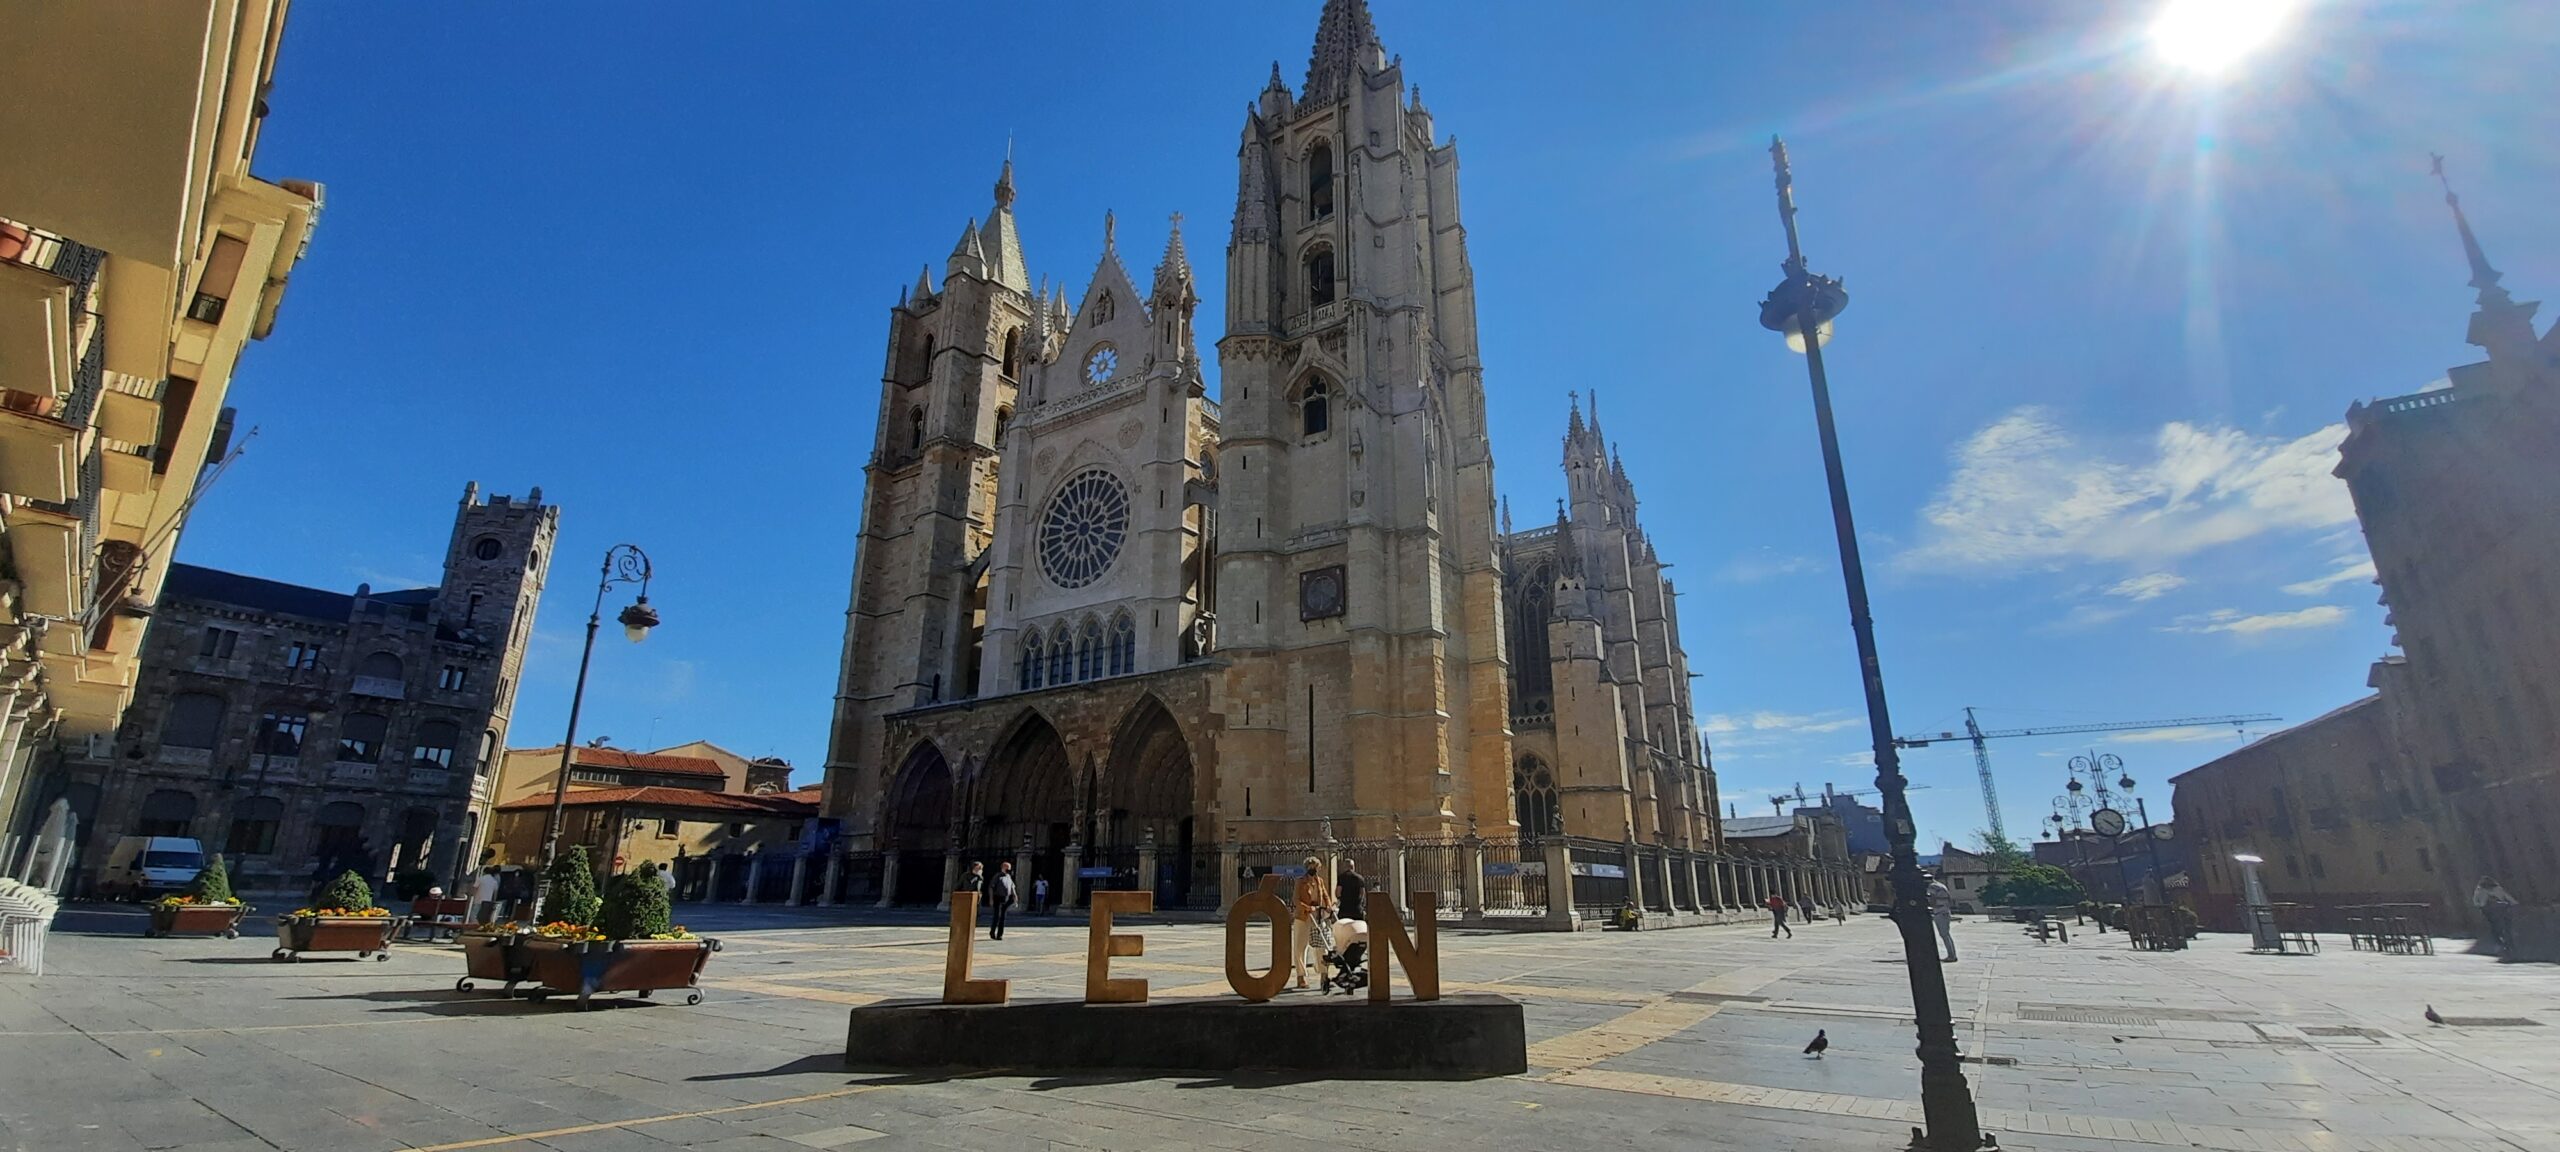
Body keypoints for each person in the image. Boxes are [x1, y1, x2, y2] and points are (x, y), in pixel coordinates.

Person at [1291, 856, 1334, 990]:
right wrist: (1308, 908)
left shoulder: (1319, 881)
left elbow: (1325, 895)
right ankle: (1301, 976)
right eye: (1311, 867)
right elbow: (1296, 900)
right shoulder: (1300, 882)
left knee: (1321, 946)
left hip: (1318, 916)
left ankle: (1323, 973)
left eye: (1315, 867)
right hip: (1303, 916)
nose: (1314, 870)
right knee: (1300, 946)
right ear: (1307, 868)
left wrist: (1329, 905)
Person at [2473, 876, 2520, 949]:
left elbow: (2475, 901)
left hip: (2487, 909)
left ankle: (2500, 942)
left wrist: (2480, 906)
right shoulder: (2497, 888)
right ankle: (2508, 941)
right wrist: (2514, 903)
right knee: (2505, 924)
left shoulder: (2480, 890)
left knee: (2494, 925)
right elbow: (2506, 896)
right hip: (2501, 908)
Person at [1927, 872, 1958, 962]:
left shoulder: (1932, 887)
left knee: (1944, 934)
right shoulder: (1941, 885)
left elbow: (1932, 901)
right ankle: (1952, 954)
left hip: (1939, 912)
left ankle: (1952, 956)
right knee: (1946, 934)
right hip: (1945, 911)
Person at [988, 862, 1016, 940]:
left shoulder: (1009, 876)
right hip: (998, 898)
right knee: (997, 916)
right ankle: (992, 932)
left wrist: (1015, 896)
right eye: (1007, 868)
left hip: (1006, 898)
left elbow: (1012, 887)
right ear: (1003, 867)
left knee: (1003, 917)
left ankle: (1000, 934)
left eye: (1009, 868)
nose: (1009, 869)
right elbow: (991, 887)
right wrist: (991, 899)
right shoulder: (997, 876)